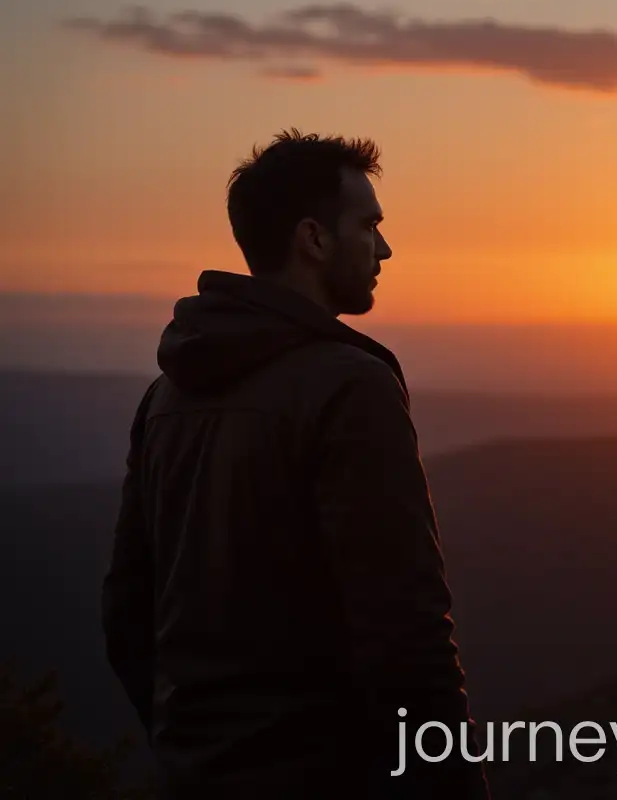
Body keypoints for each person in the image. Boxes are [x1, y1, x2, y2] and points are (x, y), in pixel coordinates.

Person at [101, 129, 490, 798]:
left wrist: (187, 746)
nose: (386, 247)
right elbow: (406, 631)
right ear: (313, 239)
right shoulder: (349, 386)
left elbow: (127, 610)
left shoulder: (165, 396)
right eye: (368, 225)